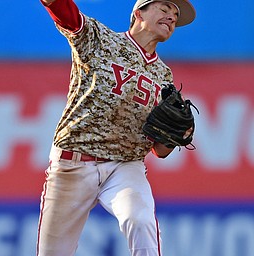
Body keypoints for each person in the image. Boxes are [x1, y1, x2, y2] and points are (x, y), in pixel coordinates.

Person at [36, 0, 196, 255]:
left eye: (175, 15)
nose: (172, 17)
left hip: (125, 166)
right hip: (74, 161)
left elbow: (159, 149)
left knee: (141, 221)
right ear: (138, 12)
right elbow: (65, 13)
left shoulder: (164, 75)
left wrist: (178, 136)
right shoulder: (100, 39)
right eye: (165, 8)